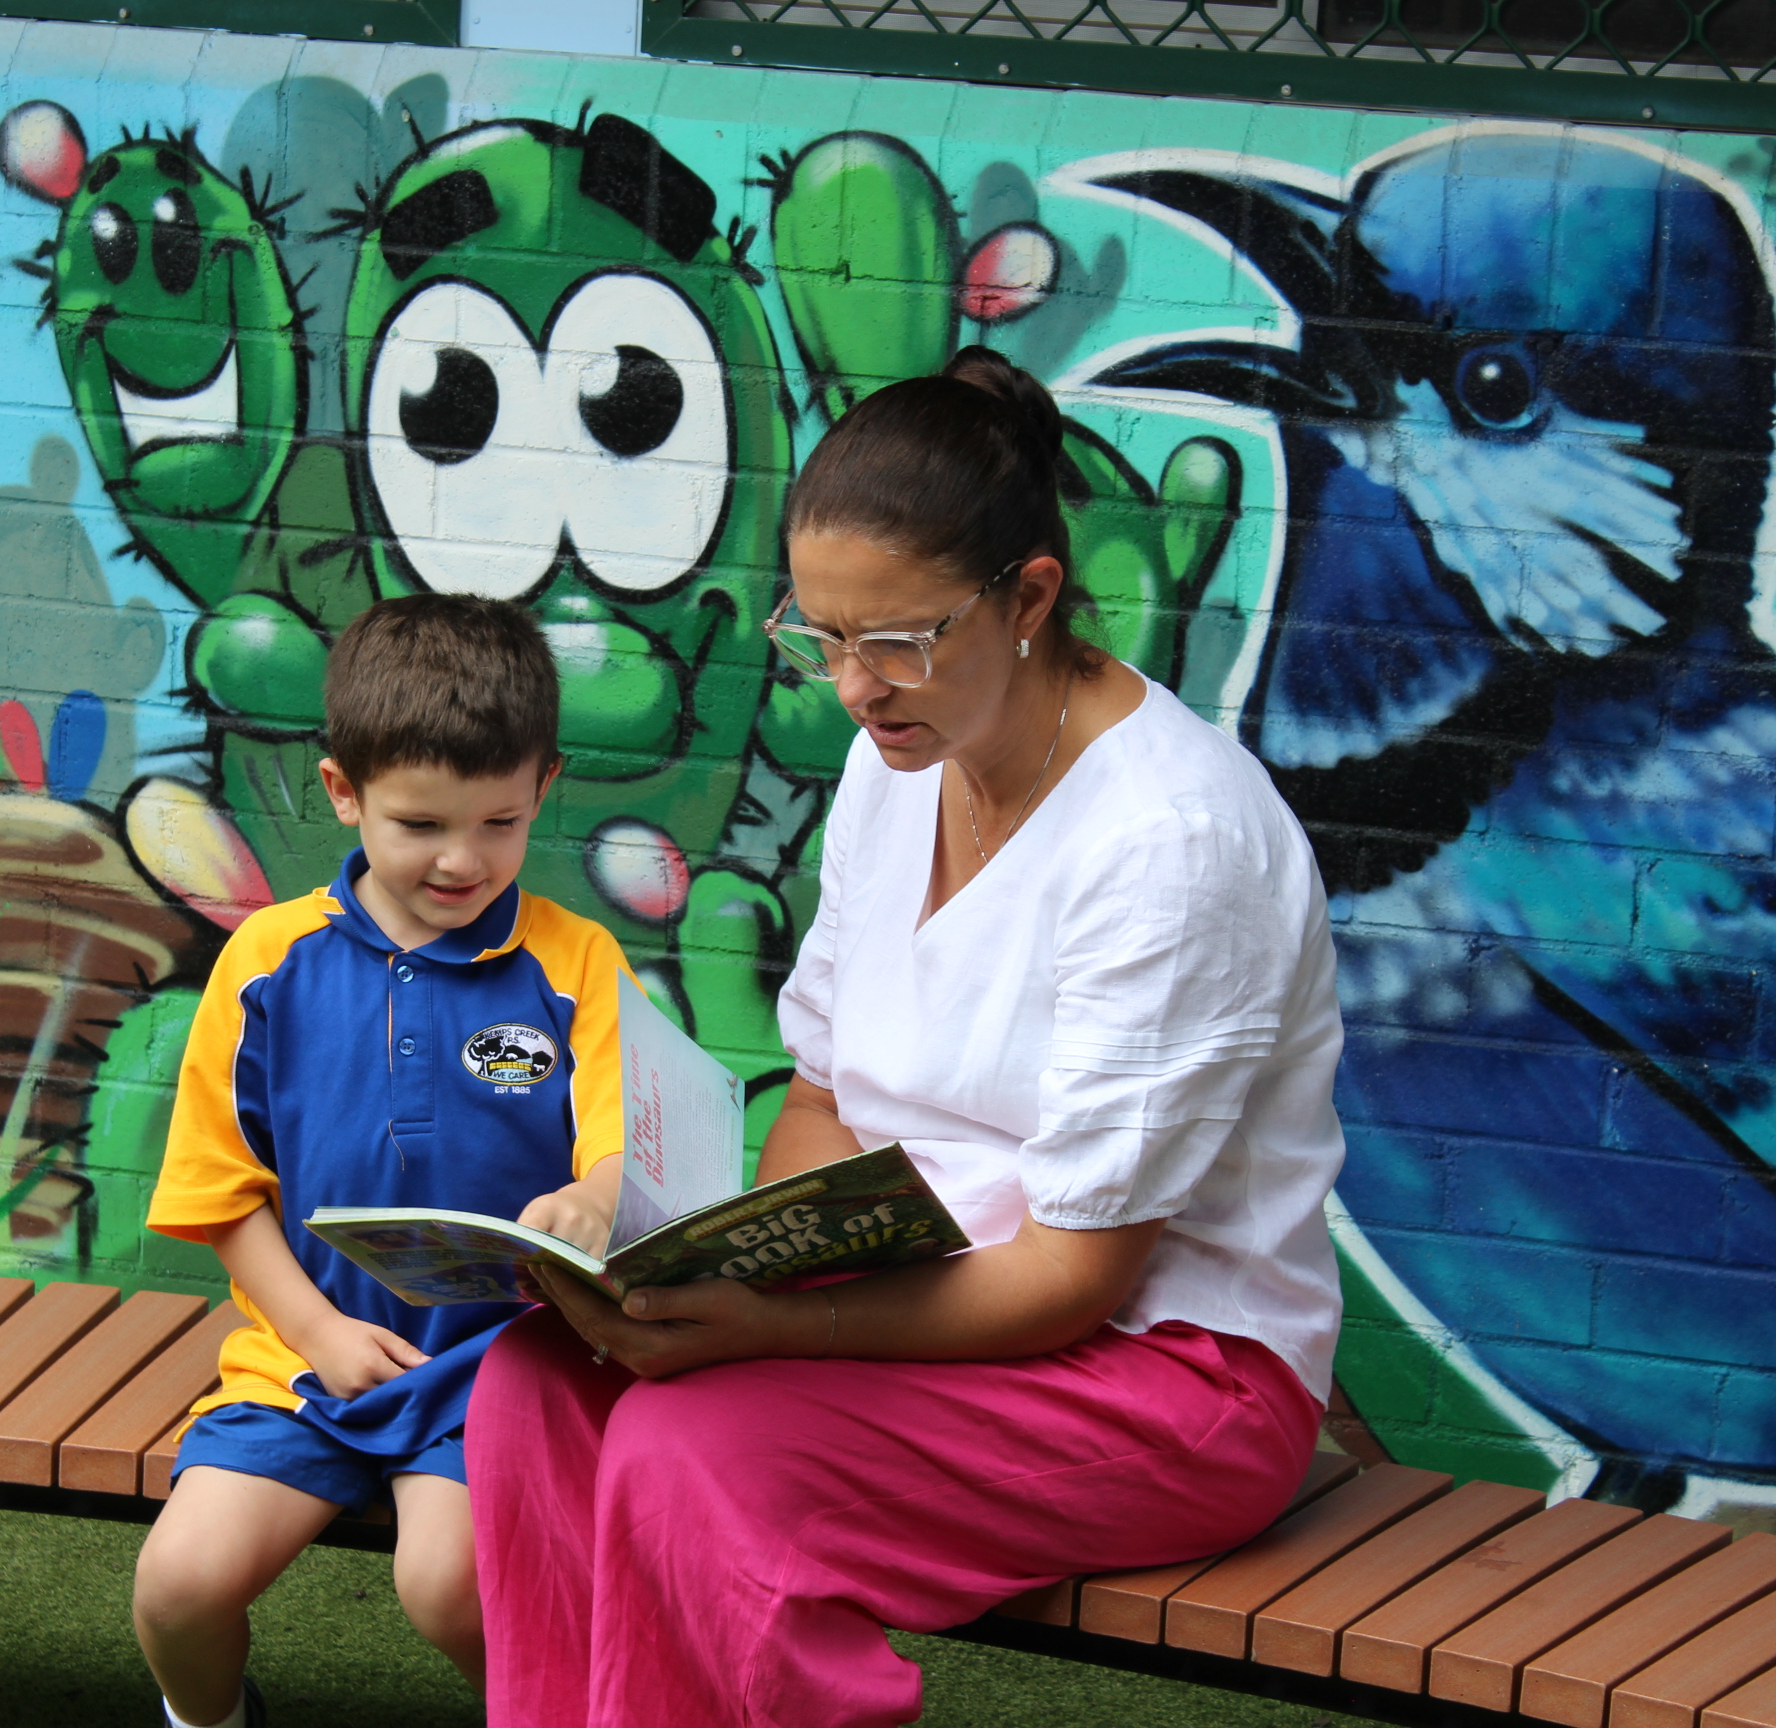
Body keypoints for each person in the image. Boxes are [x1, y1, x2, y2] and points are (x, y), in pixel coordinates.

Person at [467, 348, 1348, 1728]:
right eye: (821, 639)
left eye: (895, 641)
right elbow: (825, 1093)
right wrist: (696, 1257)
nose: (853, 686)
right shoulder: (906, 762)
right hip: (924, 1274)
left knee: (701, 1454)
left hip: (1166, 1369)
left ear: (1033, 597)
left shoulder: (1173, 843)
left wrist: (761, 1330)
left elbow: (1074, 1274)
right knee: (539, 1383)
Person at [134, 594, 633, 1728]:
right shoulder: (268, 962)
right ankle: (212, 1721)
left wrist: (599, 1192)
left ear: (544, 786)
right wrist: (315, 1336)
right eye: (420, 826)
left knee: (447, 1586)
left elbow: (626, 1139)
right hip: (302, 1364)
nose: (463, 861)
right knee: (178, 1586)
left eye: (501, 824)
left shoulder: (579, 962)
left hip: (497, 1371)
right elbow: (220, 1195)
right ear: (342, 793)